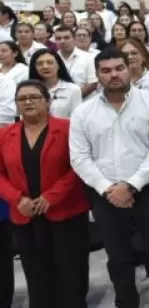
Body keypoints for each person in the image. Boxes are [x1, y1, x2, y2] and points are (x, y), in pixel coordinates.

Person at [68, 48, 149, 308]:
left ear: (130, 68)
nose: (113, 75)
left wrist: (130, 186)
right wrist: (109, 188)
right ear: (97, 75)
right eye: (106, 71)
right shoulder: (83, 112)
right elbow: (79, 158)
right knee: (118, 256)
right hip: (105, 194)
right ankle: (126, 302)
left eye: (119, 68)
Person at [0, 79, 90, 307]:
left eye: (34, 97)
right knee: (37, 275)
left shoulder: (69, 128)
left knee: (71, 274)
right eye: (22, 99)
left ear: (48, 101)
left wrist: (51, 196)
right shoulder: (5, 134)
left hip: (66, 212)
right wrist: (17, 199)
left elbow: (80, 166)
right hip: (25, 215)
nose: (28, 102)